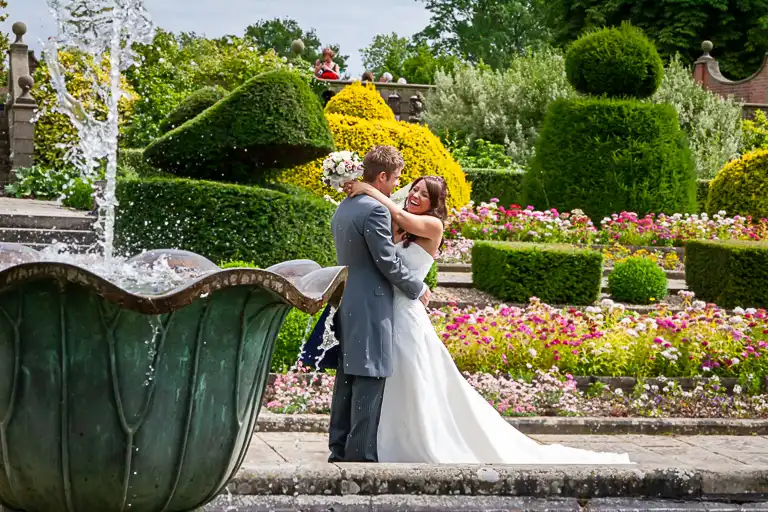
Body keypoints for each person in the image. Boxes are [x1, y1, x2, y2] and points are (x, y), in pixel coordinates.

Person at [340, 175, 633, 465]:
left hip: (406, 314)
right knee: (391, 381)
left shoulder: (432, 225)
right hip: (386, 311)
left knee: (412, 377)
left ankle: (419, 442)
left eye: (424, 194)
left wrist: (367, 189)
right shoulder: (401, 231)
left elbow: (399, 214)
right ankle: (382, 442)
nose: (415, 196)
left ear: (435, 204)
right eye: (414, 189)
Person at [327, 145, 432, 463]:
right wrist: (418, 287)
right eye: (396, 178)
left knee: (347, 376)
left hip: (347, 299)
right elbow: (386, 261)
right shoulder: (373, 210)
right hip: (371, 303)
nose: (396, 185)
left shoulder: (344, 207)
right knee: (370, 376)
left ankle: (339, 448)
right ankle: (360, 456)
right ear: (382, 176)